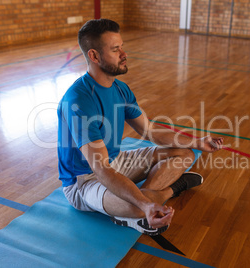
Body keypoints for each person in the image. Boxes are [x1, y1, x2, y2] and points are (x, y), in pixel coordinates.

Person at [57, 19, 223, 236]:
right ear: (94, 56)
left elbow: (150, 131)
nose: (124, 54)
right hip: (85, 181)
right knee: (137, 206)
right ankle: (172, 189)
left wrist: (197, 142)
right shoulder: (78, 100)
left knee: (184, 153)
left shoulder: (120, 89)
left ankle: (148, 199)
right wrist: (145, 205)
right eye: (116, 49)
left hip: (116, 161)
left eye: (122, 47)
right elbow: (101, 169)